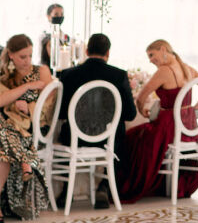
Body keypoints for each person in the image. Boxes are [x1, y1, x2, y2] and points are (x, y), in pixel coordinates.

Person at [117, 39, 198, 204]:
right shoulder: (186, 68)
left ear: (163, 49)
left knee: (130, 137)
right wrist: (194, 109)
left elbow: (141, 97)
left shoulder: (164, 71)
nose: (151, 60)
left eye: (152, 55)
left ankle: (120, 185)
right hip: (188, 128)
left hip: (169, 128)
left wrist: (141, 110)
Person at [56, 33, 137, 203]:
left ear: (86, 51)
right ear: (108, 52)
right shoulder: (119, 75)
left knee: (65, 129)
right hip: (108, 140)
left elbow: (62, 113)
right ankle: (105, 185)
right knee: (119, 130)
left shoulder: (68, 74)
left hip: (74, 138)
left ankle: (66, 191)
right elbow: (131, 114)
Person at [0, 34, 52, 220]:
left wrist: (30, 109)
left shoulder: (41, 71)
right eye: (23, 57)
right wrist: (26, 87)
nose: (28, 61)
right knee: (4, 136)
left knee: (3, 136)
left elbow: (50, 103)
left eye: (30, 55)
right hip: (10, 128)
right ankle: (25, 160)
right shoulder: (4, 75)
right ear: (11, 55)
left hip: (36, 128)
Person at [39, 3, 69, 70]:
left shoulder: (66, 37)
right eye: (56, 14)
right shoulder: (43, 36)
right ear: (48, 16)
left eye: (61, 14)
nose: (59, 17)